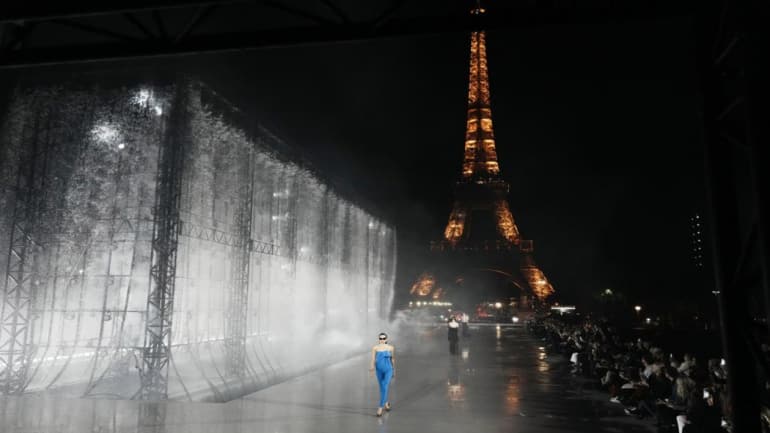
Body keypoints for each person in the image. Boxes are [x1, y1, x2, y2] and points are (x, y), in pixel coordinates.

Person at [369, 332, 395, 417]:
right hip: (379, 370)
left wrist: (394, 370)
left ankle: (380, 408)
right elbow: (373, 359)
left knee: (384, 385)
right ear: (379, 339)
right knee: (382, 388)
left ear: (386, 339)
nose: (382, 340)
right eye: (381, 338)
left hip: (388, 370)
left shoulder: (391, 347)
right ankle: (386, 404)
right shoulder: (375, 348)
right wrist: (371, 368)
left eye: (384, 338)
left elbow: (392, 359)